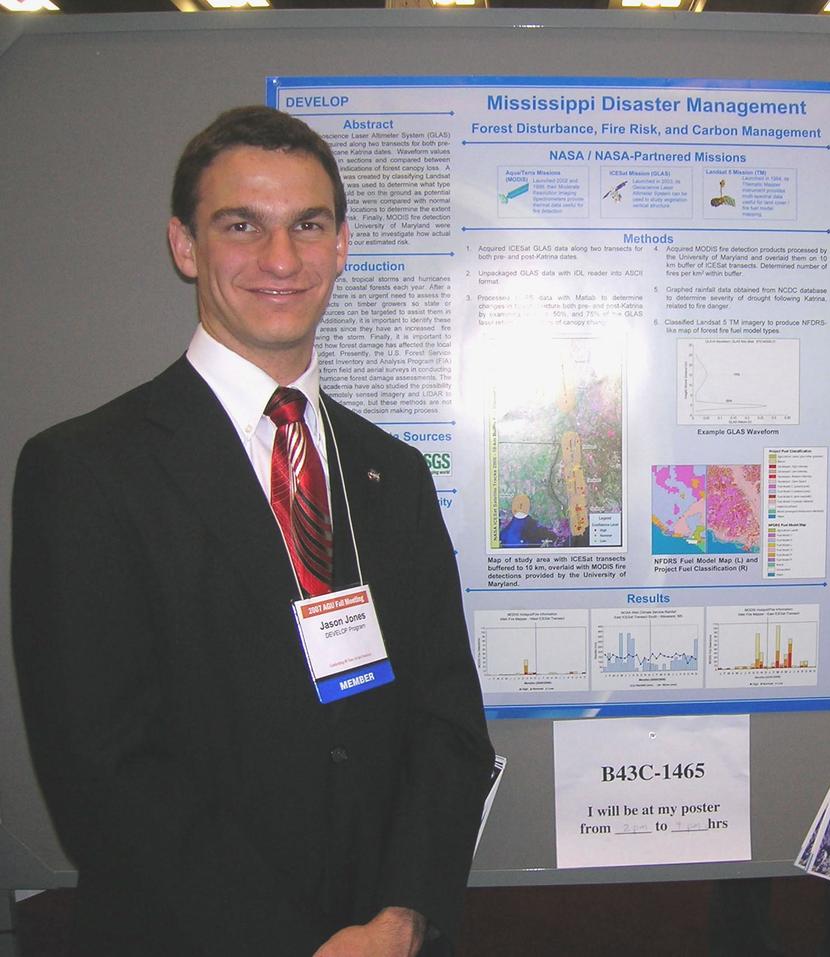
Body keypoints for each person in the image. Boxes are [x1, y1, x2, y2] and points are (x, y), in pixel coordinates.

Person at [11, 106, 494, 957]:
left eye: (308, 225)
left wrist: (403, 915)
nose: (281, 258)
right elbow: (104, 769)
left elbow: (448, 723)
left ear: (341, 245)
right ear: (185, 245)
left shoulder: (394, 473)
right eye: (243, 225)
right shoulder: (85, 471)